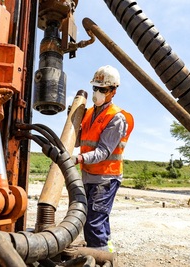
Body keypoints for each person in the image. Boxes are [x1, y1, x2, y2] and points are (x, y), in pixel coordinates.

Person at [72, 65, 134, 252]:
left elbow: (103, 152)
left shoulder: (116, 118)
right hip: (89, 175)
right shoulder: (89, 113)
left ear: (113, 91)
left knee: (93, 222)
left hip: (106, 178)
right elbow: (76, 142)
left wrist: (79, 159)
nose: (97, 93)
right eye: (95, 88)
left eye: (103, 89)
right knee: (96, 218)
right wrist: (72, 120)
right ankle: (106, 253)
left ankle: (99, 257)